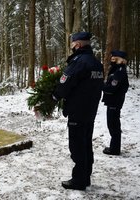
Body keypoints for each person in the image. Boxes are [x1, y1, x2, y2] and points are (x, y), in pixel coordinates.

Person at [53, 32, 104, 190]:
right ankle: (85, 176)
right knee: (86, 143)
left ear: (79, 44)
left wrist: (55, 96)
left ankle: (79, 180)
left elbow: (66, 82)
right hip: (90, 111)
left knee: (77, 146)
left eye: (73, 44)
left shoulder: (79, 62)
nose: (72, 46)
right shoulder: (96, 63)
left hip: (77, 110)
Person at [102, 50, 129, 155]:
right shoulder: (116, 69)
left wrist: (101, 86)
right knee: (113, 125)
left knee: (113, 125)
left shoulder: (119, 71)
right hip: (113, 102)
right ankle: (114, 147)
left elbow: (112, 88)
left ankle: (114, 149)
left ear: (119, 59)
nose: (111, 60)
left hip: (114, 102)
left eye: (114, 59)